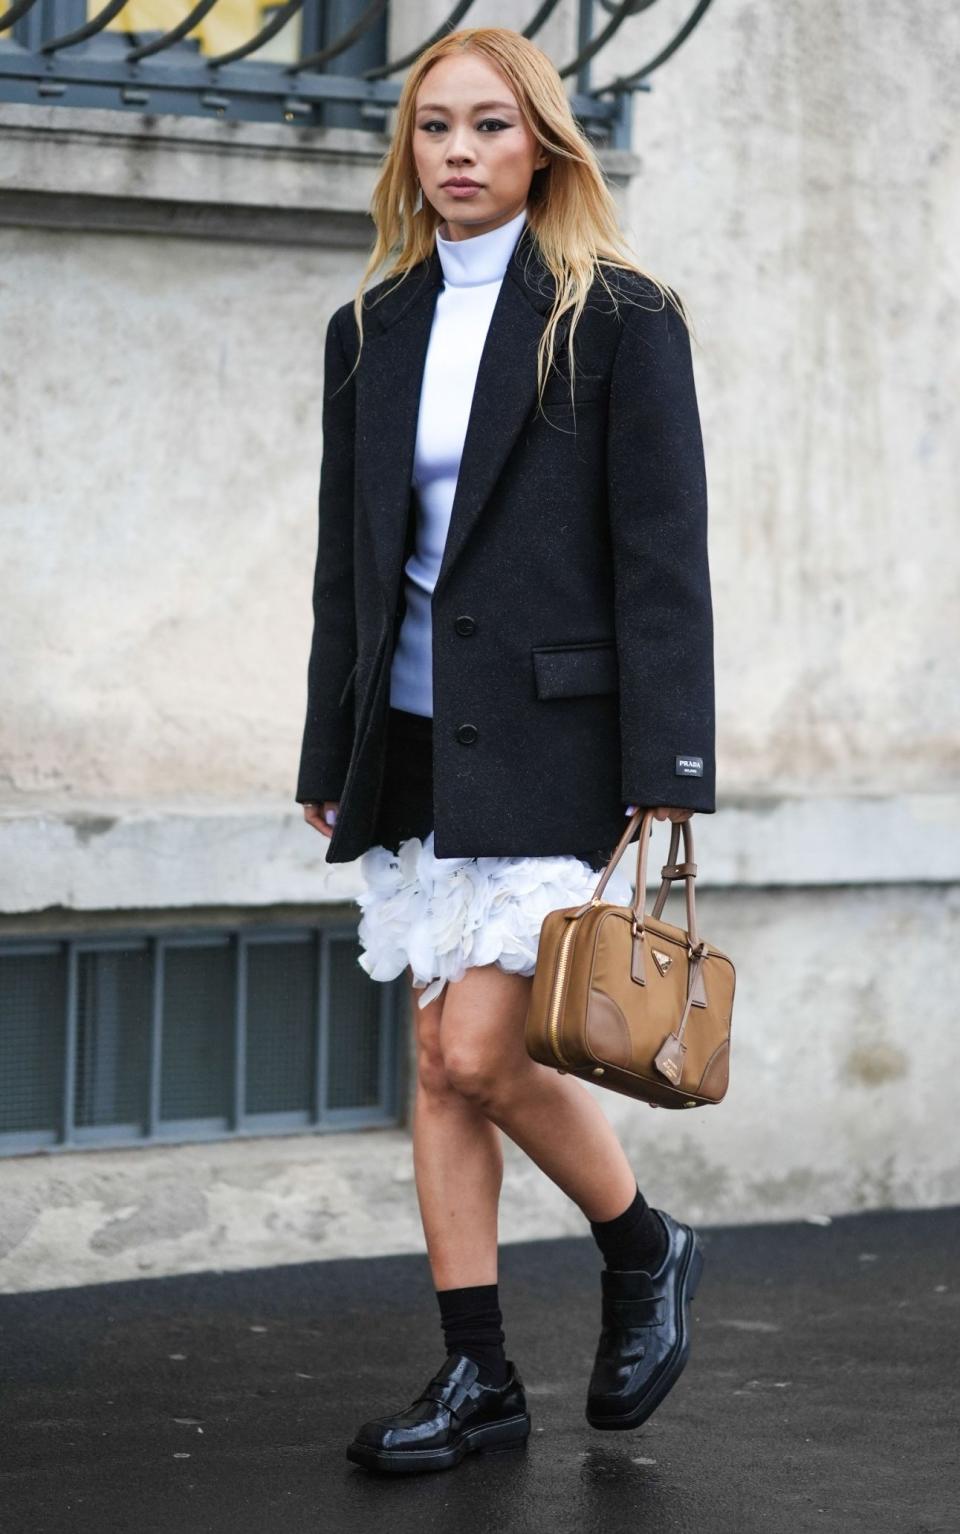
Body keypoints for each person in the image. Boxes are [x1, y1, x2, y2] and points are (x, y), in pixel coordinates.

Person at [297, 25, 715, 1476]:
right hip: (410, 742)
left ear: (541, 141)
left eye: (487, 126)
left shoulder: (619, 314)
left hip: (556, 737)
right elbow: (348, 569)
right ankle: (479, 1374)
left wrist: (671, 761)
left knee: (482, 1042)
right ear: (408, 150)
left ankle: (646, 1242)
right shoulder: (372, 327)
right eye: (433, 129)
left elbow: (665, 556)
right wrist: (326, 748)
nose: (458, 152)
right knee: (434, 1059)